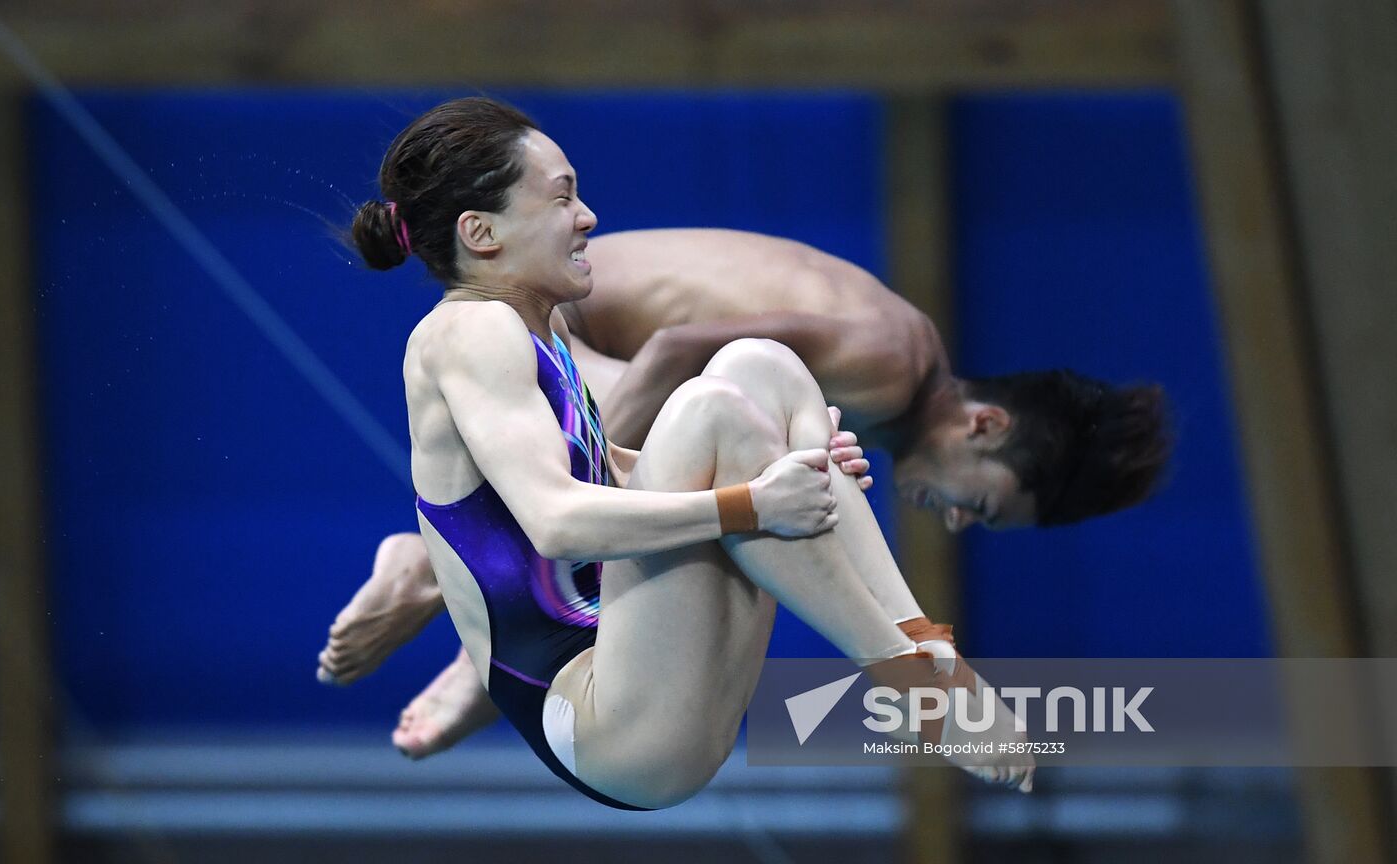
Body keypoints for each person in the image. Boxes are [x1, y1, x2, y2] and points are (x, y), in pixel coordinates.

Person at [345, 96, 1032, 808]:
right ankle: (906, 675)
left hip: (649, 675)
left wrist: (793, 464)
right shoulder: (469, 331)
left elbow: (613, 475)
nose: (587, 218)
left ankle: (920, 647)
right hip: (599, 720)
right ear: (481, 232)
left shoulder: (536, 333)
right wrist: (755, 502)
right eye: (562, 198)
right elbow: (555, 521)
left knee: (759, 365)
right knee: (712, 407)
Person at [319, 241, 1171, 761]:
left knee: (747, 460)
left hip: (583, 346)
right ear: (985, 425)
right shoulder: (891, 364)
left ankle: (475, 614)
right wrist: (537, 525)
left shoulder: (896, 376)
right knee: (719, 426)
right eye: (976, 507)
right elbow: (672, 352)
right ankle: (439, 573)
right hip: (556, 330)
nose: (949, 518)